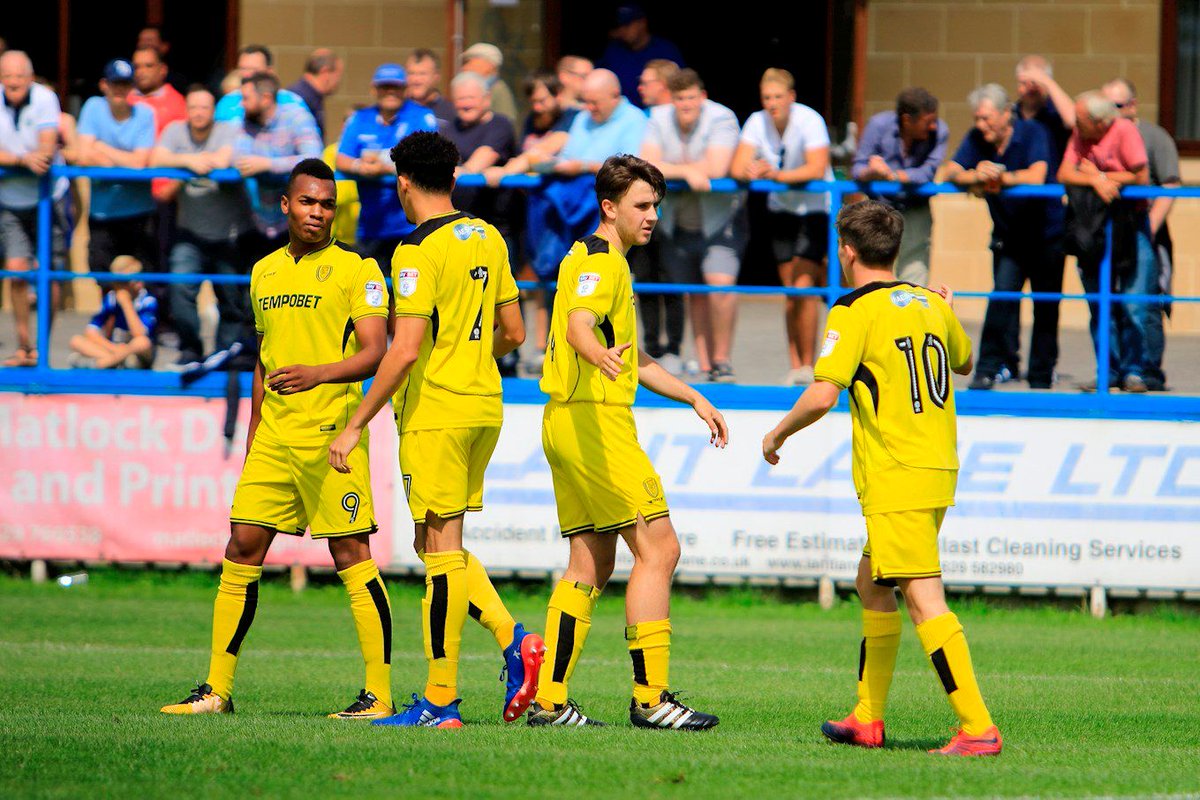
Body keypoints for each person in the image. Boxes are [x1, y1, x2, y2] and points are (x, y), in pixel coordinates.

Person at [761, 199, 1001, 757]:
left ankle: (977, 726)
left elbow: (824, 393)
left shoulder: (852, 310)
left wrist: (776, 435)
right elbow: (964, 362)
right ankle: (867, 718)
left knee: (922, 598)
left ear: (847, 250)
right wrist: (947, 307)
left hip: (898, 473)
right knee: (872, 582)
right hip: (937, 466)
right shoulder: (929, 304)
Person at [160, 158, 394, 719]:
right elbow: (263, 364)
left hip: (330, 435)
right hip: (273, 438)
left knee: (351, 553)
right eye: (308, 202)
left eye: (327, 204)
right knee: (241, 546)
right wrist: (253, 436)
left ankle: (379, 695)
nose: (318, 212)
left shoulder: (357, 269)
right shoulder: (263, 270)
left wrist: (318, 372)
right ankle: (217, 689)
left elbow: (375, 353)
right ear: (285, 205)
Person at [327, 131, 545, 728]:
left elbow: (403, 350)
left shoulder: (414, 251)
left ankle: (441, 700)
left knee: (440, 555)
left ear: (402, 183)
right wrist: (470, 358)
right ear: (452, 178)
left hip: (437, 414)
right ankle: (515, 639)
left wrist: (354, 425)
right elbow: (516, 332)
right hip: (485, 406)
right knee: (434, 543)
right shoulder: (489, 237)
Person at [528, 154, 727, 729]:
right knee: (659, 550)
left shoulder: (596, 259)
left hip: (565, 420)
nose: (653, 216)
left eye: (656, 205)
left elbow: (628, 353)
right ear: (609, 207)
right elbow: (579, 329)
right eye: (642, 205)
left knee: (590, 560)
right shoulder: (601, 262)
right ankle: (652, 699)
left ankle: (549, 700)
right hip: (595, 424)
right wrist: (597, 358)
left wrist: (693, 395)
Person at [943, 84, 1061, 391]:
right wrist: (976, 176)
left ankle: (1041, 377)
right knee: (1001, 300)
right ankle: (986, 371)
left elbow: (1037, 176)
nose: (981, 126)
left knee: (1046, 307)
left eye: (986, 118)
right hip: (1009, 237)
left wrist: (1000, 178)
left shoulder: (1033, 132)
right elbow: (951, 172)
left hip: (1046, 234)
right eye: (977, 119)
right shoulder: (976, 138)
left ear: (1006, 114)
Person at [641, 68, 744, 382]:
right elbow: (646, 163)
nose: (685, 104)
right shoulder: (658, 117)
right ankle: (704, 363)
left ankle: (722, 359)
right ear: (671, 100)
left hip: (721, 218)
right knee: (695, 293)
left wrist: (670, 169)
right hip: (678, 221)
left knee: (720, 286)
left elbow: (717, 167)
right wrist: (686, 173)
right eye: (679, 98)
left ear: (702, 96)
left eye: (690, 97)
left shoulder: (722, 117)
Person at [732, 68, 832, 385]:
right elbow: (737, 167)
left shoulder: (810, 120)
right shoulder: (756, 121)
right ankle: (796, 366)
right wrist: (752, 169)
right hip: (781, 211)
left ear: (791, 97)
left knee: (805, 288)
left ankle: (812, 364)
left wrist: (775, 175)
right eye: (766, 98)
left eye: (777, 97)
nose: (772, 103)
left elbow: (817, 168)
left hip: (814, 209)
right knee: (791, 293)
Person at [152, 84, 254, 364]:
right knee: (180, 286)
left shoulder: (228, 129)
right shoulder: (175, 131)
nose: (198, 113)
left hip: (231, 234)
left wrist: (188, 164)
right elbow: (156, 158)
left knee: (232, 298)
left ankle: (225, 354)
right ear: (187, 110)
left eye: (204, 108)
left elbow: (224, 159)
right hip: (191, 232)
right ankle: (191, 349)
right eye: (193, 107)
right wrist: (190, 160)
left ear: (214, 111)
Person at [1058, 91, 1149, 393]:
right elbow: (1064, 172)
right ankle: (1107, 371)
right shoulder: (1079, 133)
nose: (1076, 127)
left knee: (1134, 303)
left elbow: (1141, 176)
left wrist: (1099, 173)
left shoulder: (1123, 130)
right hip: (1092, 228)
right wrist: (1097, 180)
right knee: (1099, 304)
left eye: (1081, 122)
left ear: (1100, 122)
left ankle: (1134, 370)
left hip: (1130, 225)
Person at [1103, 77, 1178, 392]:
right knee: (1110, 302)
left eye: (1116, 106)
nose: (1110, 113)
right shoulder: (1102, 135)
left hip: (1147, 233)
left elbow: (1170, 186)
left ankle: (1149, 371)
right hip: (1112, 234)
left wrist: (1148, 227)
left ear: (1132, 105)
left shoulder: (1154, 137)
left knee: (1145, 303)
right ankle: (1116, 370)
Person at [0, 50, 69, 367]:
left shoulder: (45, 98)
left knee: (50, 275)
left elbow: (46, 147)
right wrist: (21, 160)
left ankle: (42, 346)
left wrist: (32, 156)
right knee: (16, 272)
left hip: (49, 197)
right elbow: (31, 157)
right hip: (11, 200)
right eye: (7, 75)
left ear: (30, 78)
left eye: (19, 76)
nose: (13, 81)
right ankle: (24, 345)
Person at [336, 63, 438, 263]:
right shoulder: (359, 118)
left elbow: (428, 159)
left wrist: (386, 165)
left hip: (412, 224)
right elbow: (341, 158)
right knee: (372, 288)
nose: (390, 91)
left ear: (405, 89)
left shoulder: (421, 117)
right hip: (370, 225)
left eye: (396, 86)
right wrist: (360, 167)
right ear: (374, 89)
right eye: (384, 86)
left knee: (410, 288)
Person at [852, 87, 948, 286]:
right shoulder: (878, 125)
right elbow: (858, 168)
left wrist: (892, 175)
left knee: (914, 275)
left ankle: (909, 316)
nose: (932, 126)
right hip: (879, 209)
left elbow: (927, 172)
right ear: (907, 120)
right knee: (873, 273)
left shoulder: (940, 131)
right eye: (927, 121)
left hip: (915, 209)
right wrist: (873, 171)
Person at [75, 60, 158, 280]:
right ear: (104, 85)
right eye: (115, 84)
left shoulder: (145, 113)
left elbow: (140, 163)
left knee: (142, 278)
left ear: (132, 86)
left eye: (125, 84)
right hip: (102, 213)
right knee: (100, 274)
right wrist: (122, 160)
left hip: (138, 212)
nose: (120, 89)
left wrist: (101, 148)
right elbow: (82, 155)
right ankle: (112, 315)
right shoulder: (93, 106)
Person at [233, 71, 324, 246]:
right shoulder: (244, 121)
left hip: (293, 223)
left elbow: (314, 157)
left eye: (246, 98)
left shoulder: (296, 116)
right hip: (253, 222)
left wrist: (268, 164)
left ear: (266, 98)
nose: (241, 104)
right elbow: (238, 157)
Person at [68, 256, 156, 369]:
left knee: (142, 342)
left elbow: (140, 334)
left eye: (136, 278)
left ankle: (99, 364)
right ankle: (115, 361)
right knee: (76, 340)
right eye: (122, 282)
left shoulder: (147, 300)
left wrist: (127, 304)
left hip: (137, 352)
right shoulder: (111, 298)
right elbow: (91, 331)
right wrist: (113, 348)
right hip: (116, 349)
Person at [599, 4, 684, 107]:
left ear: (642, 23)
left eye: (627, 25)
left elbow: (680, 85)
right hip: (622, 113)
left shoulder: (665, 50)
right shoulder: (613, 51)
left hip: (658, 110)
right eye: (620, 26)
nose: (623, 30)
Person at [215, 44, 309, 124]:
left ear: (269, 72)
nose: (247, 75)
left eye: (253, 69)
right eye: (243, 69)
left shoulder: (292, 103)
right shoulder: (227, 103)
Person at [1013, 55, 1074, 175]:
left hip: (1052, 188)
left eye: (1035, 82)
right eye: (1024, 83)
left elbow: (1073, 120)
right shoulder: (1010, 115)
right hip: (1016, 187)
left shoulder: (1057, 112)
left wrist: (1045, 81)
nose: (1030, 88)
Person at [287, 48, 343, 139]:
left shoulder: (313, 97)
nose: (338, 81)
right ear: (325, 72)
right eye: (338, 76)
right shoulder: (299, 98)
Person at [130, 46, 186, 136]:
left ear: (163, 70)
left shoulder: (178, 103)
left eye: (149, 66)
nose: (141, 71)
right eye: (136, 67)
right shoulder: (121, 97)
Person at [459, 43, 518, 124]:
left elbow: (505, 126)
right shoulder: (479, 88)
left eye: (469, 62)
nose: (464, 68)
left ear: (488, 65)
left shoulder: (498, 89)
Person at [405, 48, 455, 125]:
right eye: (411, 73)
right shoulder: (397, 111)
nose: (416, 80)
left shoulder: (451, 113)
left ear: (436, 77)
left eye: (422, 74)